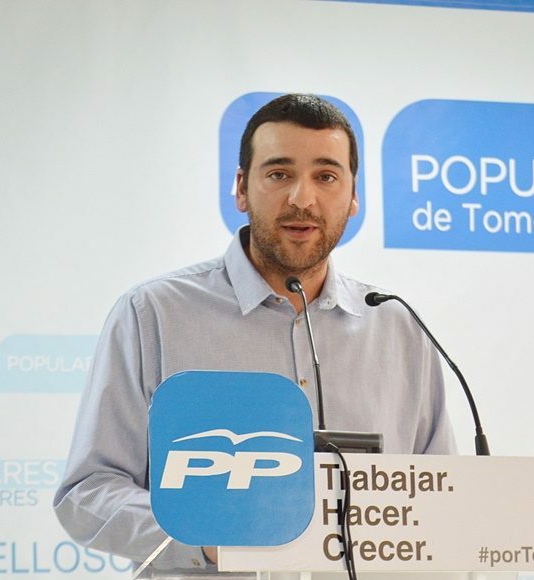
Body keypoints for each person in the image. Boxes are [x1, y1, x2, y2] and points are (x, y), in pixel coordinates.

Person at [54, 94, 456, 570]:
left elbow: (444, 497)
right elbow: (88, 493)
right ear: (242, 189)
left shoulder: (398, 326)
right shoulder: (154, 314)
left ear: (353, 198)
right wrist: (206, 540)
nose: (302, 198)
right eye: (279, 174)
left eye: (326, 176)